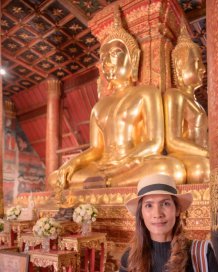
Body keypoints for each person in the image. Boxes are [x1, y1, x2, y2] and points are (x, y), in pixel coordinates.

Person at [48, 8, 186, 190]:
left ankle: (108, 183)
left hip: (132, 164)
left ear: (133, 59)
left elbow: (154, 142)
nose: (107, 63)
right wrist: (72, 164)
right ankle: (104, 183)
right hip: (101, 166)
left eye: (113, 55)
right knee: (55, 178)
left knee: (172, 169)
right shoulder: (99, 106)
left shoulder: (146, 93)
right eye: (103, 58)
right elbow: (96, 149)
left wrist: (122, 164)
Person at [164, 25, 210, 183]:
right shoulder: (175, 95)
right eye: (196, 63)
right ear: (179, 65)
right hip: (185, 156)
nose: (203, 69)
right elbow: (172, 141)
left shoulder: (198, 104)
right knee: (204, 168)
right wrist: (206, 153)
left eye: (201, 63)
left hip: (201, 154)